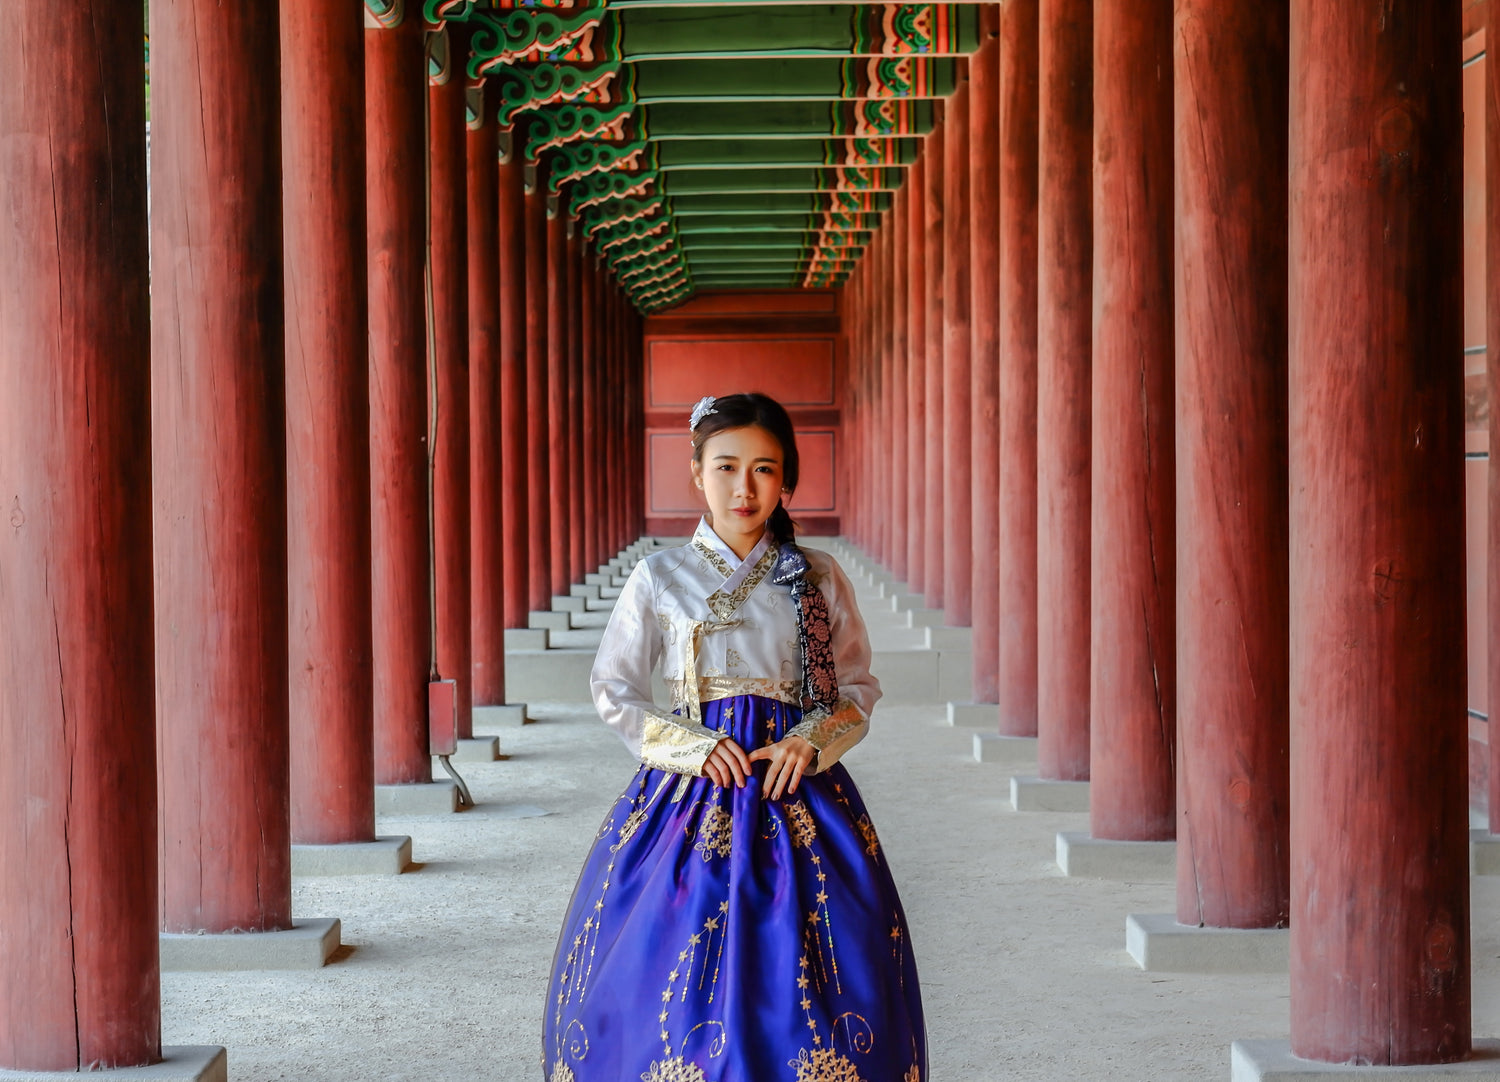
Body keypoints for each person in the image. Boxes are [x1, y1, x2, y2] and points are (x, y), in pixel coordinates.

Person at [543, 393, 926, 1082]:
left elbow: (857, 690)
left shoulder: (817, 576)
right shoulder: (659, 577)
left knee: (830, 969)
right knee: (668, 959)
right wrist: (691, 746)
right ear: (696, 472)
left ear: (786, 480)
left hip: (796, 784)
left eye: (763, 469)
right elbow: (615, 689)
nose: (743, 488)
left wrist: (810, 742)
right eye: (725, 467)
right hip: (695, 788)